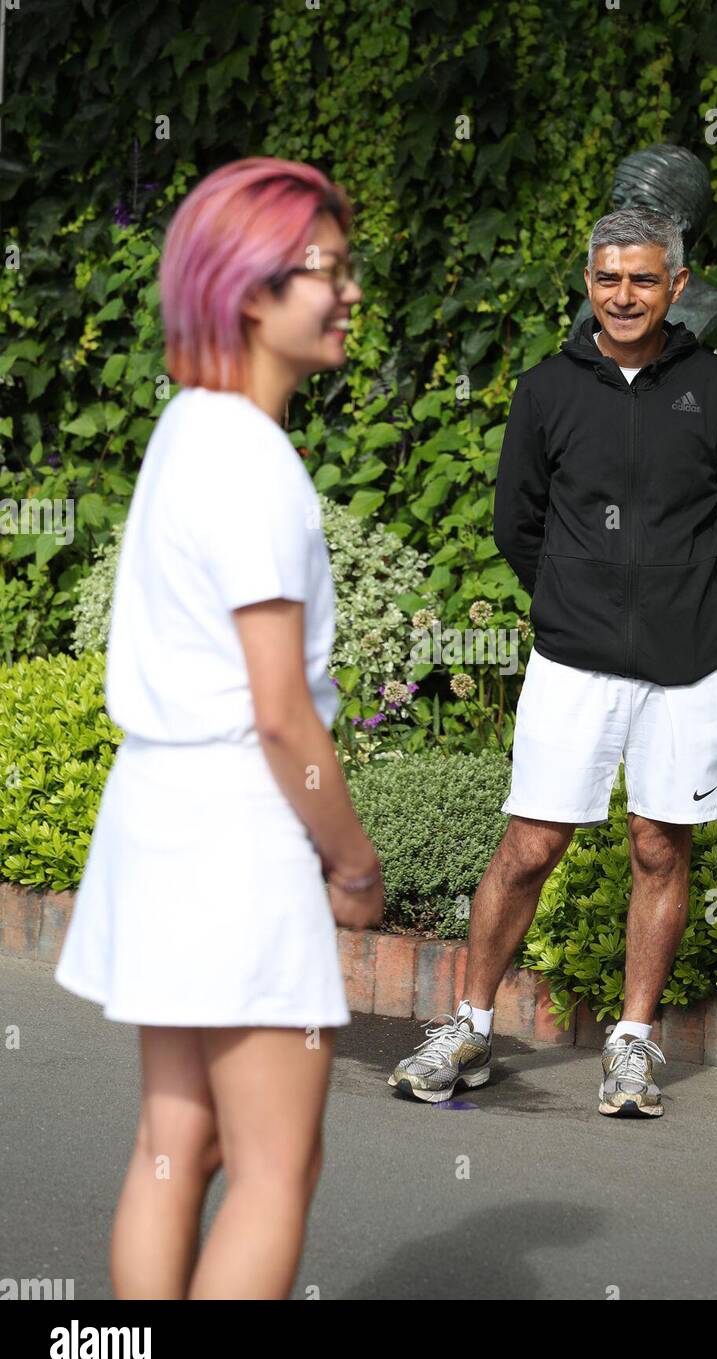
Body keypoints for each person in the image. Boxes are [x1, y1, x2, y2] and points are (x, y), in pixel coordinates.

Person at [54, 156, 384, 1298]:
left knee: (173, 1144)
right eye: (325, 272)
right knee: (275, 1166)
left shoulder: (188, 430)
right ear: (251, 290)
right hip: (237, 838)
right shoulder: (253, 459)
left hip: (155, 819)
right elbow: (279, 706)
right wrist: (351, 858)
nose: (347, 294)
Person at [388, 207, 717, 1118]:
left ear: (677, 286)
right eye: (609, 278)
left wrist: (688, 603)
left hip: (687, 664)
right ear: (588, 283)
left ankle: (632, 1045)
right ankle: (472, 1027)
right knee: (530, 844)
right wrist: (572, 600)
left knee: (657, 844)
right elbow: (517, 526)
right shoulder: (546, 390)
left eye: (643, 279)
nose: (624, 295)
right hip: (573, 659)